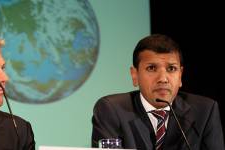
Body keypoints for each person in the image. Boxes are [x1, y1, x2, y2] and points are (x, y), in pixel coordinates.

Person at [91, 34, 224, 149]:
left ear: (180, 75)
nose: (163, 79)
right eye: (152, 68)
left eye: (171, 68)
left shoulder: (205, 111)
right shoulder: (111, 110)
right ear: (135, 75)